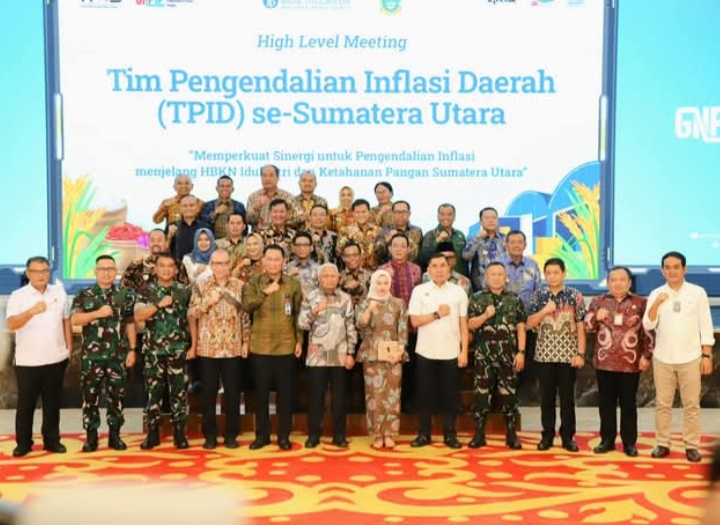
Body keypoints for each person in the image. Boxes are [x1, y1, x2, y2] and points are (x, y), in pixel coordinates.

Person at [643, 251, 714, 463]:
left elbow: (706, 325)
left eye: (676, 267)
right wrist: (657, 304)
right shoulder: (656, 293)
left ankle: (691, 445)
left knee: (691, 405)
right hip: (663, 358)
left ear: (685, 269)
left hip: (691, 358)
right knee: (662, 405)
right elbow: (648, 324)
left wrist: (707, 355)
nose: (671, 271)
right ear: (662, 270)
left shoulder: (697, 293)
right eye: (667, 267)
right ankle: (663, 443)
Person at [6, 256, 72, 457]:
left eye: (45, 271)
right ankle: (23, 443)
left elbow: (66, 320)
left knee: (52, 404)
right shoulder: (18, 296)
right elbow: (12, 324)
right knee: (26, 405)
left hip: (56, 358)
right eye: (36, 271)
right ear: (28, 274)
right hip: (28, 361)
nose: (41, 275)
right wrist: (31, 311)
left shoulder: (59, 292)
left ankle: (52, 440)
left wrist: (68, 347)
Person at [70, 255, 137, 452]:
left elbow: (130, 324)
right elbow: (75, 319)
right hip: (92, 358)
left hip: (117, 356)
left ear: (116, 272)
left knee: (116, 397)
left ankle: (114, 436)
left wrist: (132, 349)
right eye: (102, 269)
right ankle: (91, 437)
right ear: (95, 272)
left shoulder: (125, 295)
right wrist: (97, 313)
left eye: (110, 269)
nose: (106, 273)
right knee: (90, 398)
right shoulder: (84, 294)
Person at [585, 266, 652, 458]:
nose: (618, 283)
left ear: (629, 282)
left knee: (628, 405)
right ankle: (607, 441)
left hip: (630, 364)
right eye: (613, 280)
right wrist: (595, 318)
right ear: (608, 283)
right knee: (606, 405)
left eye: (622, 280)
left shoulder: (641, 302)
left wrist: (646, 356)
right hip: (604, 363)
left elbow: (647, 332)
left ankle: (629, 443)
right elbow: (587, 326)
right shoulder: (598, 301)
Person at [242, 244, 303, 451]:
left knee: (286, 395)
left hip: (286, 346)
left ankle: (284, 436)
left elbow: (298, 315)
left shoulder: (293, 284)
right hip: (261, 346)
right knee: (260, 395)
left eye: (278, 259)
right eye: (270, 259)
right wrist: (265, 292)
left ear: (284, 262)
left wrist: (299, 340)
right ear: (263, 261)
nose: (274, 263)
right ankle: (262, 436)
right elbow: (247, 306)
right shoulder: (254, 283)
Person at [189, 249, 250, 450]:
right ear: (211, 265)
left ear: (229, 265)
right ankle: (210, 435)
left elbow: (245, 316)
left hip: (233, 346)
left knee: (233, 393)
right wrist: (208, 301)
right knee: (208, 393)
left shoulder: (240, 285)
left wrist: (246, 341)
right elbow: (192, 313)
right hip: (209, 347)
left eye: (224, 263)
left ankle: (231, 434)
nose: (220, 267)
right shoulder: (201, 285)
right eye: (216, 263)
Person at [408, 253, 469, 449]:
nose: (439, 269)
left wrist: (464, 351)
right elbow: (414, 321)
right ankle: (424, 434)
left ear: (449, 268)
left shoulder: (458, 291)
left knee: (450, 396)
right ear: (428, 270)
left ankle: (450, 435)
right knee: (425, 396)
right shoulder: (419, 291)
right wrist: (436, 314)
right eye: (434, 266)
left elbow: (463, 324)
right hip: (425, 352)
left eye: (442, 265)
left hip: (451, 352)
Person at [526, 258, 586, 452]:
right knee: (546, 399)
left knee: (567, 400)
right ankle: (547, 435)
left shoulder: (575, 296)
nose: (552, 276)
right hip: (544, 356)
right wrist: (544, 311)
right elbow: (529, 324)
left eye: (556, 272)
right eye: (548, 273)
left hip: (568, 357)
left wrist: (580, 353)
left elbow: (580, 326)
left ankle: (568, 437)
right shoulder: (538, 296)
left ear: (564, 273)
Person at [134, 253, 192, 450]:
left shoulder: (184, 291)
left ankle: (179, 433)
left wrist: (193, 345)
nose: (166, 270)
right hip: (153, 351)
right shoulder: (146, 291)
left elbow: (191, 318)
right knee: (153, 393)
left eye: (170, 266)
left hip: (178, 350)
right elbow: (138, 316)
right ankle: (152, 433)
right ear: (155, 269)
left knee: (179, 393)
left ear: (175, 270)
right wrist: (158, 305)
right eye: (162, 266)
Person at [466, 262, 526, 449]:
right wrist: (485, 315)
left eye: (500, 274)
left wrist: (521, 352)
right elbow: (470, 325)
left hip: (509, 357)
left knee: (510, 396)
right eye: (493, 274)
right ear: (486, 277)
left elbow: (521, 327)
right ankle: (479, 435)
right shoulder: (477, 298)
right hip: (484, 357)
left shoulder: (514, 299)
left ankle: (511, 435)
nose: (497, 278)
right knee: (482, 396)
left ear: (506, 277)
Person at [298, 263, 357, 448]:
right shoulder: (310, 296)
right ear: (319, 278)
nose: (330, 279)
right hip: (317, 357)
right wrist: (314, 311)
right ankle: (314, 435)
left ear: (338, 278)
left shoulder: (346, 298)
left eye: (333, 276)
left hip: (340, 356)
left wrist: (351, 352)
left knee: (340, 398)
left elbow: (351, 326)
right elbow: (302, 323)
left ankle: (339, 435)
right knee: (316, 398)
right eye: (326, 276)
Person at [356, 269, 408, 449]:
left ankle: (390, 433)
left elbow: (403, 328)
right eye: (379, 283)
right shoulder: (365, 303)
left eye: (386, 283)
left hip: (394, 354)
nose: (382, 286)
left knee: (392, 395)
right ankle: (377, 434)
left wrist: (400, 350)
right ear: (373, 284)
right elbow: (359, 325)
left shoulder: (398, 303)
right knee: (374, 395)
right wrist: (369, 310)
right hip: (372, 353)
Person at [462, 207, 507, 292]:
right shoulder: (474, 239)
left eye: (494, 218)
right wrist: (477, 238)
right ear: (480, 222)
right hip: (481, 288)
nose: (491, 220)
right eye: (487, 218)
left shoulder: (506, 239)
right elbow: (466, 257)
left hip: (503, 288)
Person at [418, 203, 467, 275]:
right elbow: (423, 258)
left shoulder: (460, 235)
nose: (446, 217)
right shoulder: (430, 235)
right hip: (438, 277)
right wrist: (437, 240)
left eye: (449, 214)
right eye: (442, 214)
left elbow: (464, 259)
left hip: (459, 277)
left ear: (454, 217)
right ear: (438, 217)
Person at [245, 164, 295, 231]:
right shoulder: (253, 197)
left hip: (281, 236)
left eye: (271, 175)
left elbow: (293, 220)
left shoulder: (288, 197)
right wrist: (255, 209)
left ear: (278, 178)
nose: (267, 179)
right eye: (264, 176)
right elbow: (248, 221)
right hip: (258, 236)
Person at [336, 199, 381, 271]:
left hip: (375, 272)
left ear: (369, 212)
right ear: (353, 213)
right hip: (354, 272)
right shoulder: (345, 230)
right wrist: (349, 236)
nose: (361, 215)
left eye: (364, 212)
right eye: (358, 212)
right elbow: (338, 252)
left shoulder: (378, 231)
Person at [374, 200, 423, 265]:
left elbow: (418, 254)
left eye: (403, 212)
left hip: (410, 267)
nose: (400, 215)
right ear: (392, 214)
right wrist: (386, 242)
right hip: (389, 267)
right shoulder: (385, 231)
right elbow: (377, 254)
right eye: (397, 212)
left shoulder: (417, 231)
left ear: (409, 214)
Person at [200, 175, 247, 240]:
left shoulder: (239, 206)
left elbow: (244, 228)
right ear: (217, 188)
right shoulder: (208, 205)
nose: (225, 188)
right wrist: (215, 213)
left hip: (234, 243)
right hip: (213, 242)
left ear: (232, 189)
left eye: (228, 186)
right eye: (222, 186)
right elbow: (202, 225)